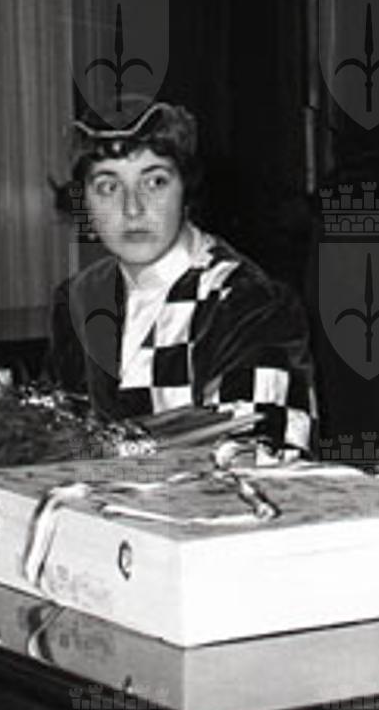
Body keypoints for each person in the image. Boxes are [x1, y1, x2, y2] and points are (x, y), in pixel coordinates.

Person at [47, 101, 318, 452]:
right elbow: (55, 443)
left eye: (155, 182)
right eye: (108, 186)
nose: (133, 208)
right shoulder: (77, 299)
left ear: (185, 189)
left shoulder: (249, 304)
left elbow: (259, 452)